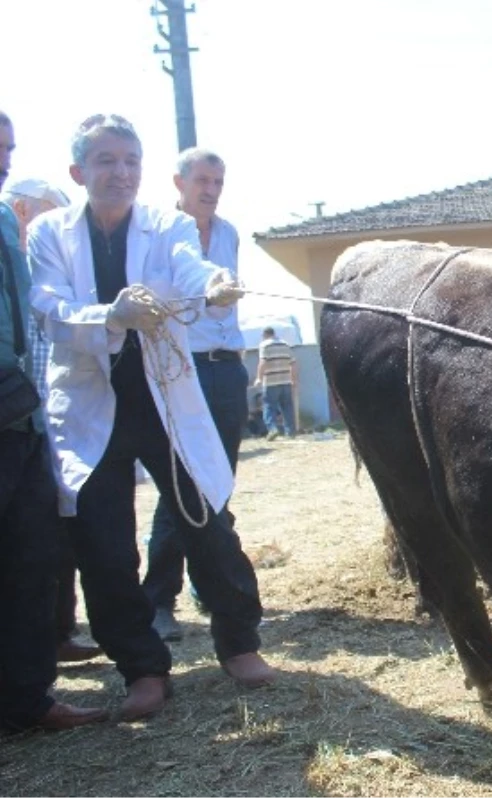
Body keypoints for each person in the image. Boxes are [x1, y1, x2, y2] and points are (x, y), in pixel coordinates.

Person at [27, 114, 275, 723]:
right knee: (104, 541)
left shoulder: (166, 224)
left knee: (204, 515)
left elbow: (189, 267)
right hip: (91, 399)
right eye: (107, 161)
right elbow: (50, 310)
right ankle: (142, 667)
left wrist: (214, 282)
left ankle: (239, 643)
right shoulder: (50, 235)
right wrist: (111, 315)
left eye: (131, 160)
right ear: (78, 172)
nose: (122, 173)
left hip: (161, 389)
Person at [0, 109, 107, 732]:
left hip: (19, 417)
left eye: (9, 147)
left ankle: (26, 699)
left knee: (30, 561)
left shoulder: (7, 231)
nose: (5, 158)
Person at [142, 148, 248, 642]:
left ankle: (213, 583)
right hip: (182, 370)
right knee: (181, 483)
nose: (211, 189)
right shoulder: (159, 232)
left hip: (226, 368)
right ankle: (158, 599)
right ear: (179, 182)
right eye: (203, 179)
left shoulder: (228, 234)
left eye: (218, 181)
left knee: (218, 482)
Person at [255, 327, 296, 439]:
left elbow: (263, 361)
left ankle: (272, 429)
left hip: (270, 382)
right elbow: (293, 363)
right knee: (287, 407)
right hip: (286, 380)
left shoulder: (264, 345)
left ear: (264, 335)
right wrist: (293, 379)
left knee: (269, 406)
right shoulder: (286, 344)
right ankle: (290, 432)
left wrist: (258, 378)